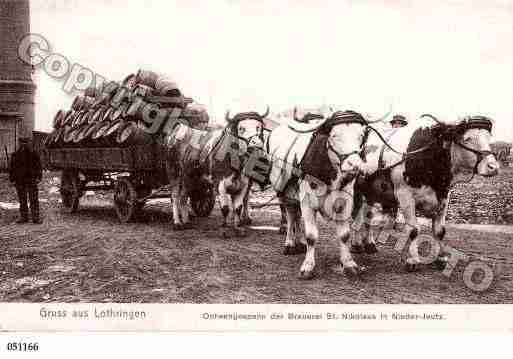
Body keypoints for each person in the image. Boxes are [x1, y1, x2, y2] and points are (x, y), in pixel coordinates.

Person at [9, 137, 42, 224]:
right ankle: (24, 217)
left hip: (31, 179)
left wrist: (39, 177)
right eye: (22, 143)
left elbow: (39, 166)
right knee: (22, 199)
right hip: (20, 180)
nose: (24, 144)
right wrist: (12, 179)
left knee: (34, 199)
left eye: (25, 142)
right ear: (19, 143)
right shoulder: (15, 155)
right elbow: (12, 168)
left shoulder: (34, 154)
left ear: (28, 143)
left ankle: (36, 217)